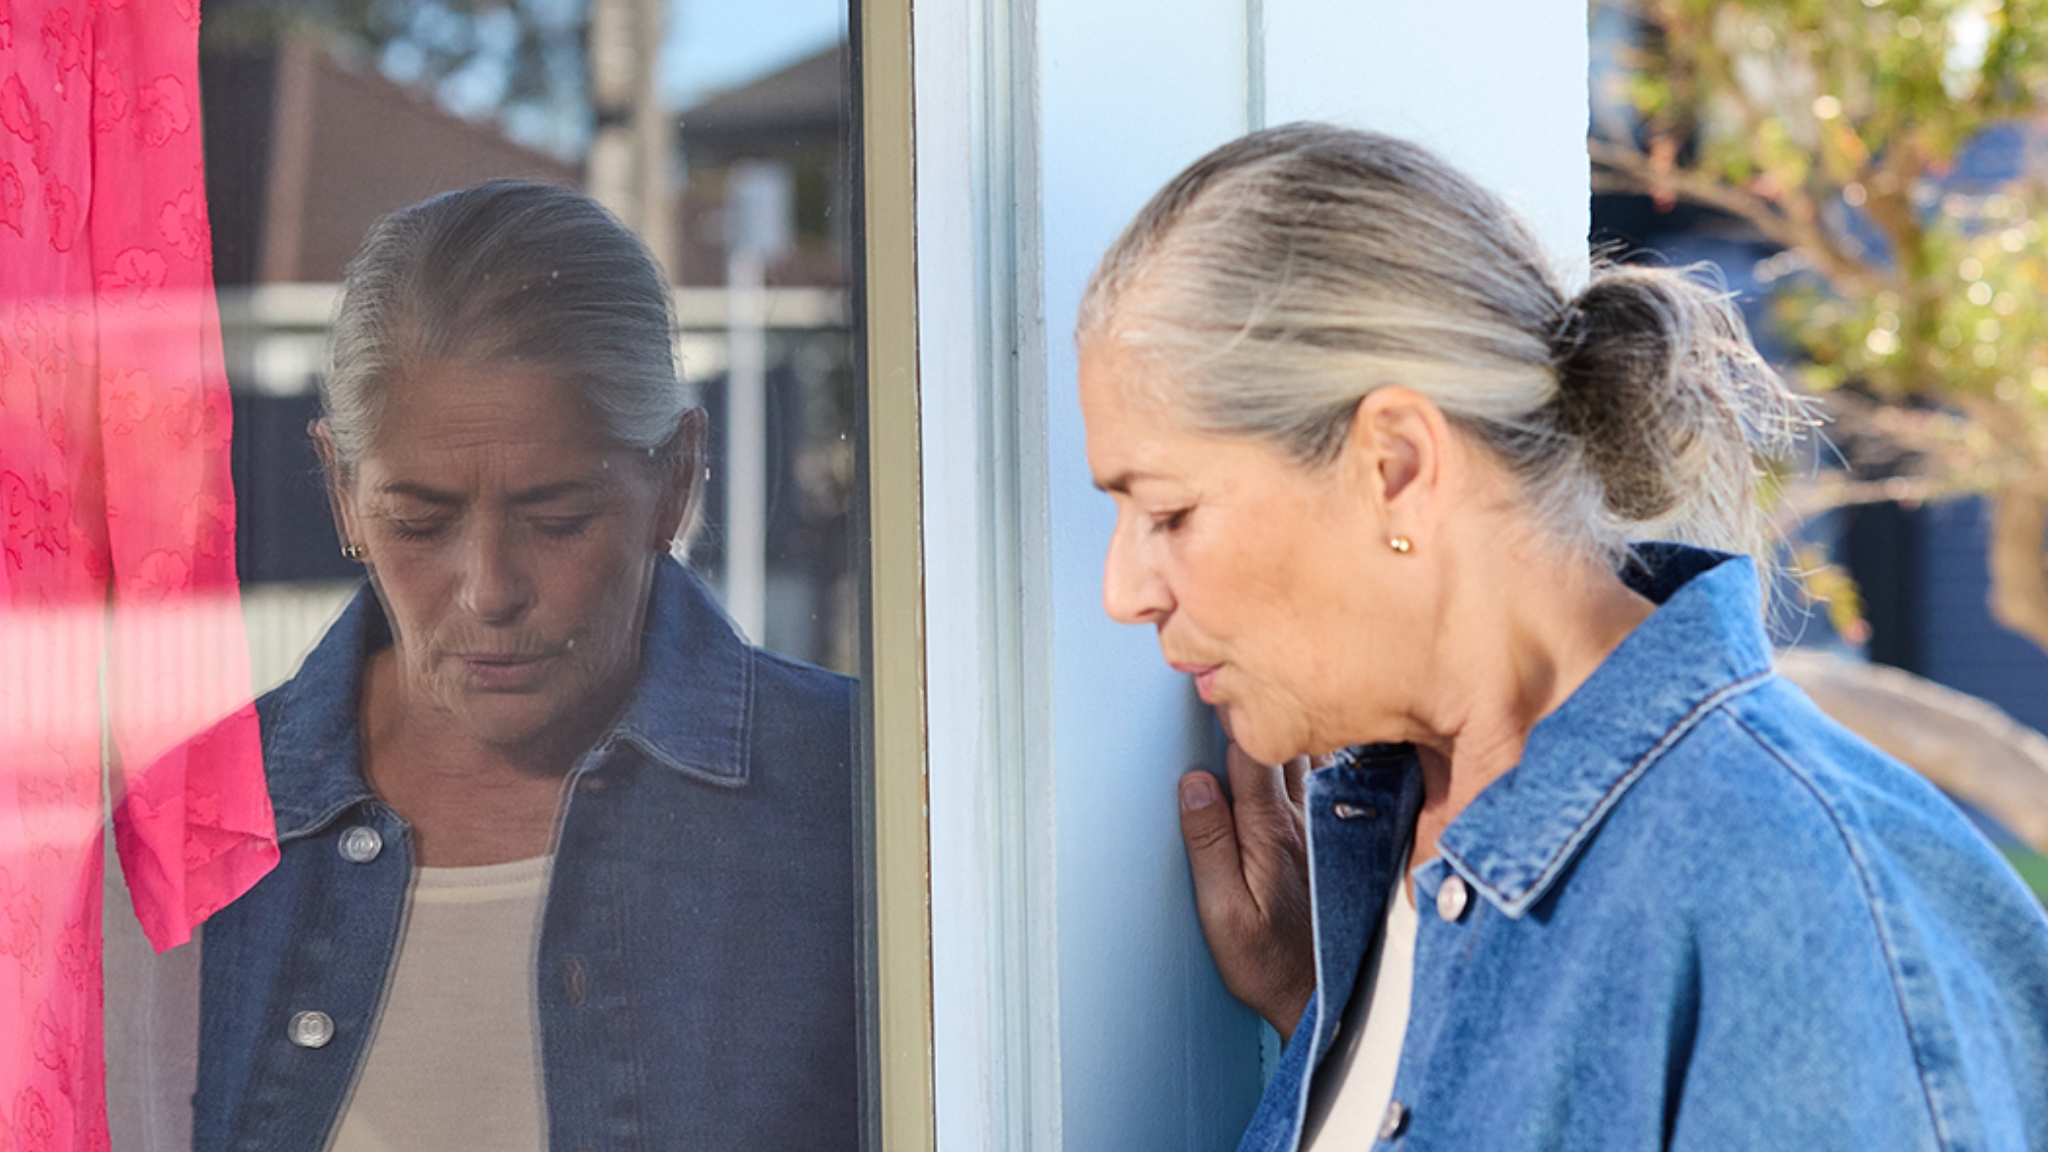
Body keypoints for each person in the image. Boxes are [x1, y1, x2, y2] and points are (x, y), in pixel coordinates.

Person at [1076, 124, 2048, 1151]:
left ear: (1395, 464)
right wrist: (1340, 1023)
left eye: (1169, 514)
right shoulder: (1392, 881)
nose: (1121, 592)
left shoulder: (1791, 903)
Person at [188, 181, 860, 1151]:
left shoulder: (859, 803)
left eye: (558, 520)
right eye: (419, 522)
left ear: (675, 479)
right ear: (341, 491)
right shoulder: (193, 833)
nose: (489, 589)